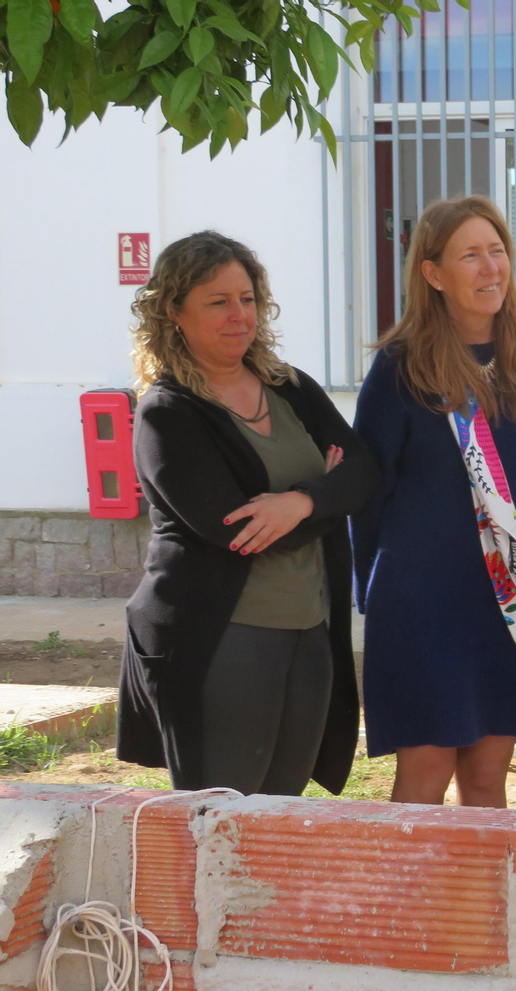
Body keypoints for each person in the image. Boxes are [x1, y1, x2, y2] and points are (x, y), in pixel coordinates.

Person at [117, 231, 379, 796]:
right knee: (221, 815)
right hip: (220, 639)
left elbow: (364, 473)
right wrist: (325, 490)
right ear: (173, 312)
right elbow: (237, 530)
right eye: (218, 302)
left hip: (311, 629)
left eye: (248, 298)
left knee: (280, 816)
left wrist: (300, 501)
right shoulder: (168, 413)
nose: (239, 316)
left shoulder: (289, 386)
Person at [352, 196, 516, 807]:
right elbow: (366, 493)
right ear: (433, 274)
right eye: (470, 255)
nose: (490, 268)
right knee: (424, 777)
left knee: (486, 781)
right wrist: (368, 590)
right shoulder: (401, 369)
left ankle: (481, 906)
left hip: (510, 596)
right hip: (424, 601)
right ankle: (406, 906)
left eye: (498, 250)